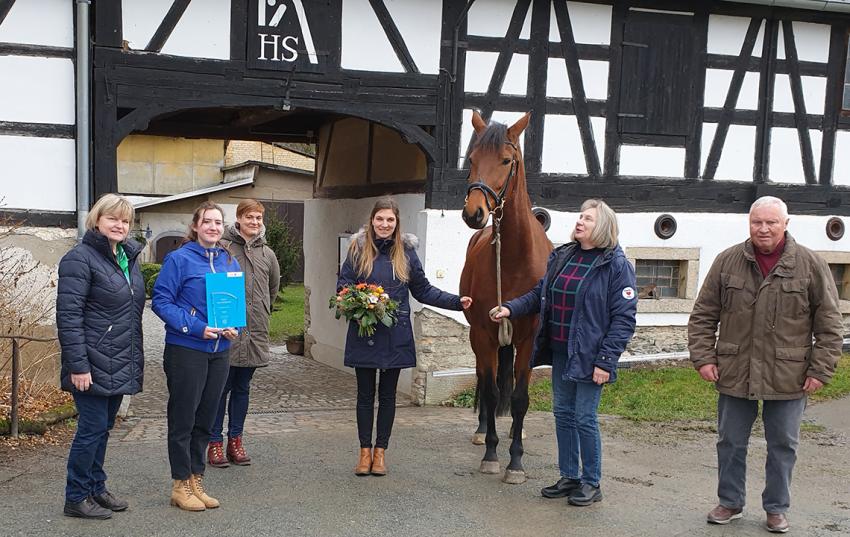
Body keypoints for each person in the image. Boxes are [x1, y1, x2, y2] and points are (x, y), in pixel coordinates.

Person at [688, 196, 843, 533]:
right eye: (757, 222)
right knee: (730, 441)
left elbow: (830, 324)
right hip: (735, 370)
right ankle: (730, 502)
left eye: (771, 222)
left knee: (783, 445)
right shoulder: (727, 261)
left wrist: (820, 370)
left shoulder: (810, 264)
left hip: (789, 375)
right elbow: (702, 315)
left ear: (786, 224)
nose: (763, 228)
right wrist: (703, 357)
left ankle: (776, 508)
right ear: (749, 223)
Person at [491, 199, 637, 506]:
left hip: (590, 356)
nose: (580, 222)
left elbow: (623, 319)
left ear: (604, 227)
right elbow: (539, 294)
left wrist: (606, 362)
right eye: (580, 217)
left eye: (589, 219)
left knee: (585, 418)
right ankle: (569, 476)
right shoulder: (564, 256)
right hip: (560, 351)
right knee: (563, 415)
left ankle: (591, 482)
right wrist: (510, 308)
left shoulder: (616, 265)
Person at [337, 197, 472, 476]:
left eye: (390, 220)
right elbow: (344, 287)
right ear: (372, 220)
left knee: (387, 396)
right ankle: (364, 453)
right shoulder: (357, 250)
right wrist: (361, 302)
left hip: (395, 334)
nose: (384, 224)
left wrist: (458, 302)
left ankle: (380, 454)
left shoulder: (406, 254)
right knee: (365, 395)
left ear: (397, 224)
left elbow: (423, 290)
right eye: (380, 219)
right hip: (366, 331)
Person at [57, 193, 145, 519]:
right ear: (97, 220)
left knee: (103, 429)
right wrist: (78, 366)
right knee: (91, 429)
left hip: (118, 359)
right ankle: (75, 496)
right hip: (91, 364)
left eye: (125, 220)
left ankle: (95, 487)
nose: (119, 225)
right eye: (113, 219)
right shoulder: (79, 259)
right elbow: (68, 317)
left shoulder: (127, 259)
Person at [152, 201, 241, 511]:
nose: (213, 227)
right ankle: (179, 484)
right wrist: (195, 327)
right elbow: (161, 302)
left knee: (206, 418)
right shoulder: (179, 259)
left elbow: (232, 304)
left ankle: (195, 480)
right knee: (183, 419)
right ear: (196, 226)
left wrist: (234, 327)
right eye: (207, 222)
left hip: (220, 352)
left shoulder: (229, 260)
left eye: (218, 222)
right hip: (186, 349)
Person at [208, 199, 280, 468]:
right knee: (219, 388)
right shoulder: (222, 248)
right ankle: (214, 442)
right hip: (227, 330)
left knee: (242, 387)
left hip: (255, 330)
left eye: (259, 217)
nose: (255, 222)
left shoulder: (267, 254)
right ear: (238, 219)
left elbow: (272, 289)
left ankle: (235, 440)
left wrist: (259, 310)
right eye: (249, 216)